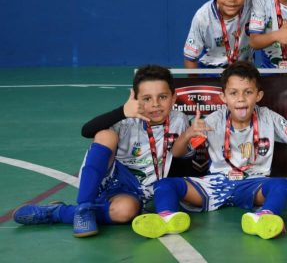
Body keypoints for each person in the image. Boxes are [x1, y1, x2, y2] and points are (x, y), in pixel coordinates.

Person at [130, 61, 287, 239]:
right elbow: (177, 153)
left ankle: (263, 217)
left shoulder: (267, 117)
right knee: (166, 185)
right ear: (223, 97)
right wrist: (188, 134)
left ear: (258, 95)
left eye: (248, 92)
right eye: (234, 93)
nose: (241, 99)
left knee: (282, 185)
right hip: (215, 184)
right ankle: (167, 217)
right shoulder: (213, 120)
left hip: (252, 184)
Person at [13, 65, 191, 237]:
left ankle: (59, 212)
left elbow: (181, 155)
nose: (155, 104)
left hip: (138, 190)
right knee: (105, 135)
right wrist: (122, 112)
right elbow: (87, 130)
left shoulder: (180, 120)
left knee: (125, 212)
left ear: (173, 97)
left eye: (162, 97)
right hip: (110, 176)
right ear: (135, 97)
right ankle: (84, 207)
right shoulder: (126, 119)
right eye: (147, 98)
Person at [184, 0, 255, 68]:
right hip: (211, 72)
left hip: (244, 71)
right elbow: (190, 59)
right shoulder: (202, 17)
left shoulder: (255, 2)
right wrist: (196, 80)